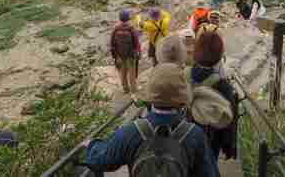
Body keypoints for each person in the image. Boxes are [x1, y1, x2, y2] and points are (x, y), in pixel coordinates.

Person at [84, 63, 220, 177]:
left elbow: (99, 160)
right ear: (182, 100)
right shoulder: (195, 135)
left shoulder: (131, 132)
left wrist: (91, 144)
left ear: (150, 97)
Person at [187, 29, 236, 160]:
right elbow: (228, 119)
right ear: (219, 54)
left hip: (185, 135)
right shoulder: (223, 85)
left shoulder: (185, 75)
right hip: (211, 140)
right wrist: (229, 146)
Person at [109, 9, 141, 94]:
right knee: (132, 73)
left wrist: (115, 56)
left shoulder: (116, 29)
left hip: (120, 55)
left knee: (122, 73)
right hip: (130, 55)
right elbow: (136, 43)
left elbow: (112, 43)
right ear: (128, 18)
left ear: (120, 18)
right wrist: (138, 53)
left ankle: (125, 89)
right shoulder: (131, 29)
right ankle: (133, 90)